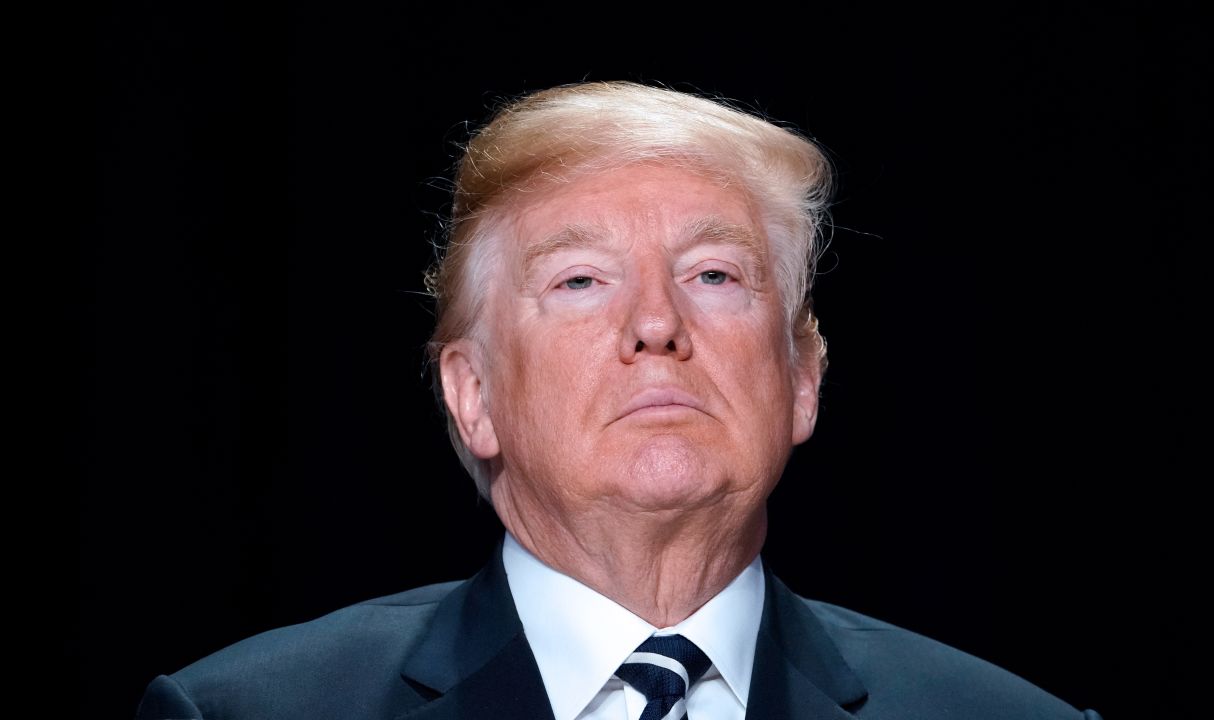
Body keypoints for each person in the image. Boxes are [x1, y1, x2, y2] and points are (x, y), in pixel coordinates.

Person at [136, 81, 1102, 720]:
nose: (656, 324)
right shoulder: (242, 714)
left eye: (715, 274)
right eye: (582, 282)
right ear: (474, 397)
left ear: (803, 378)